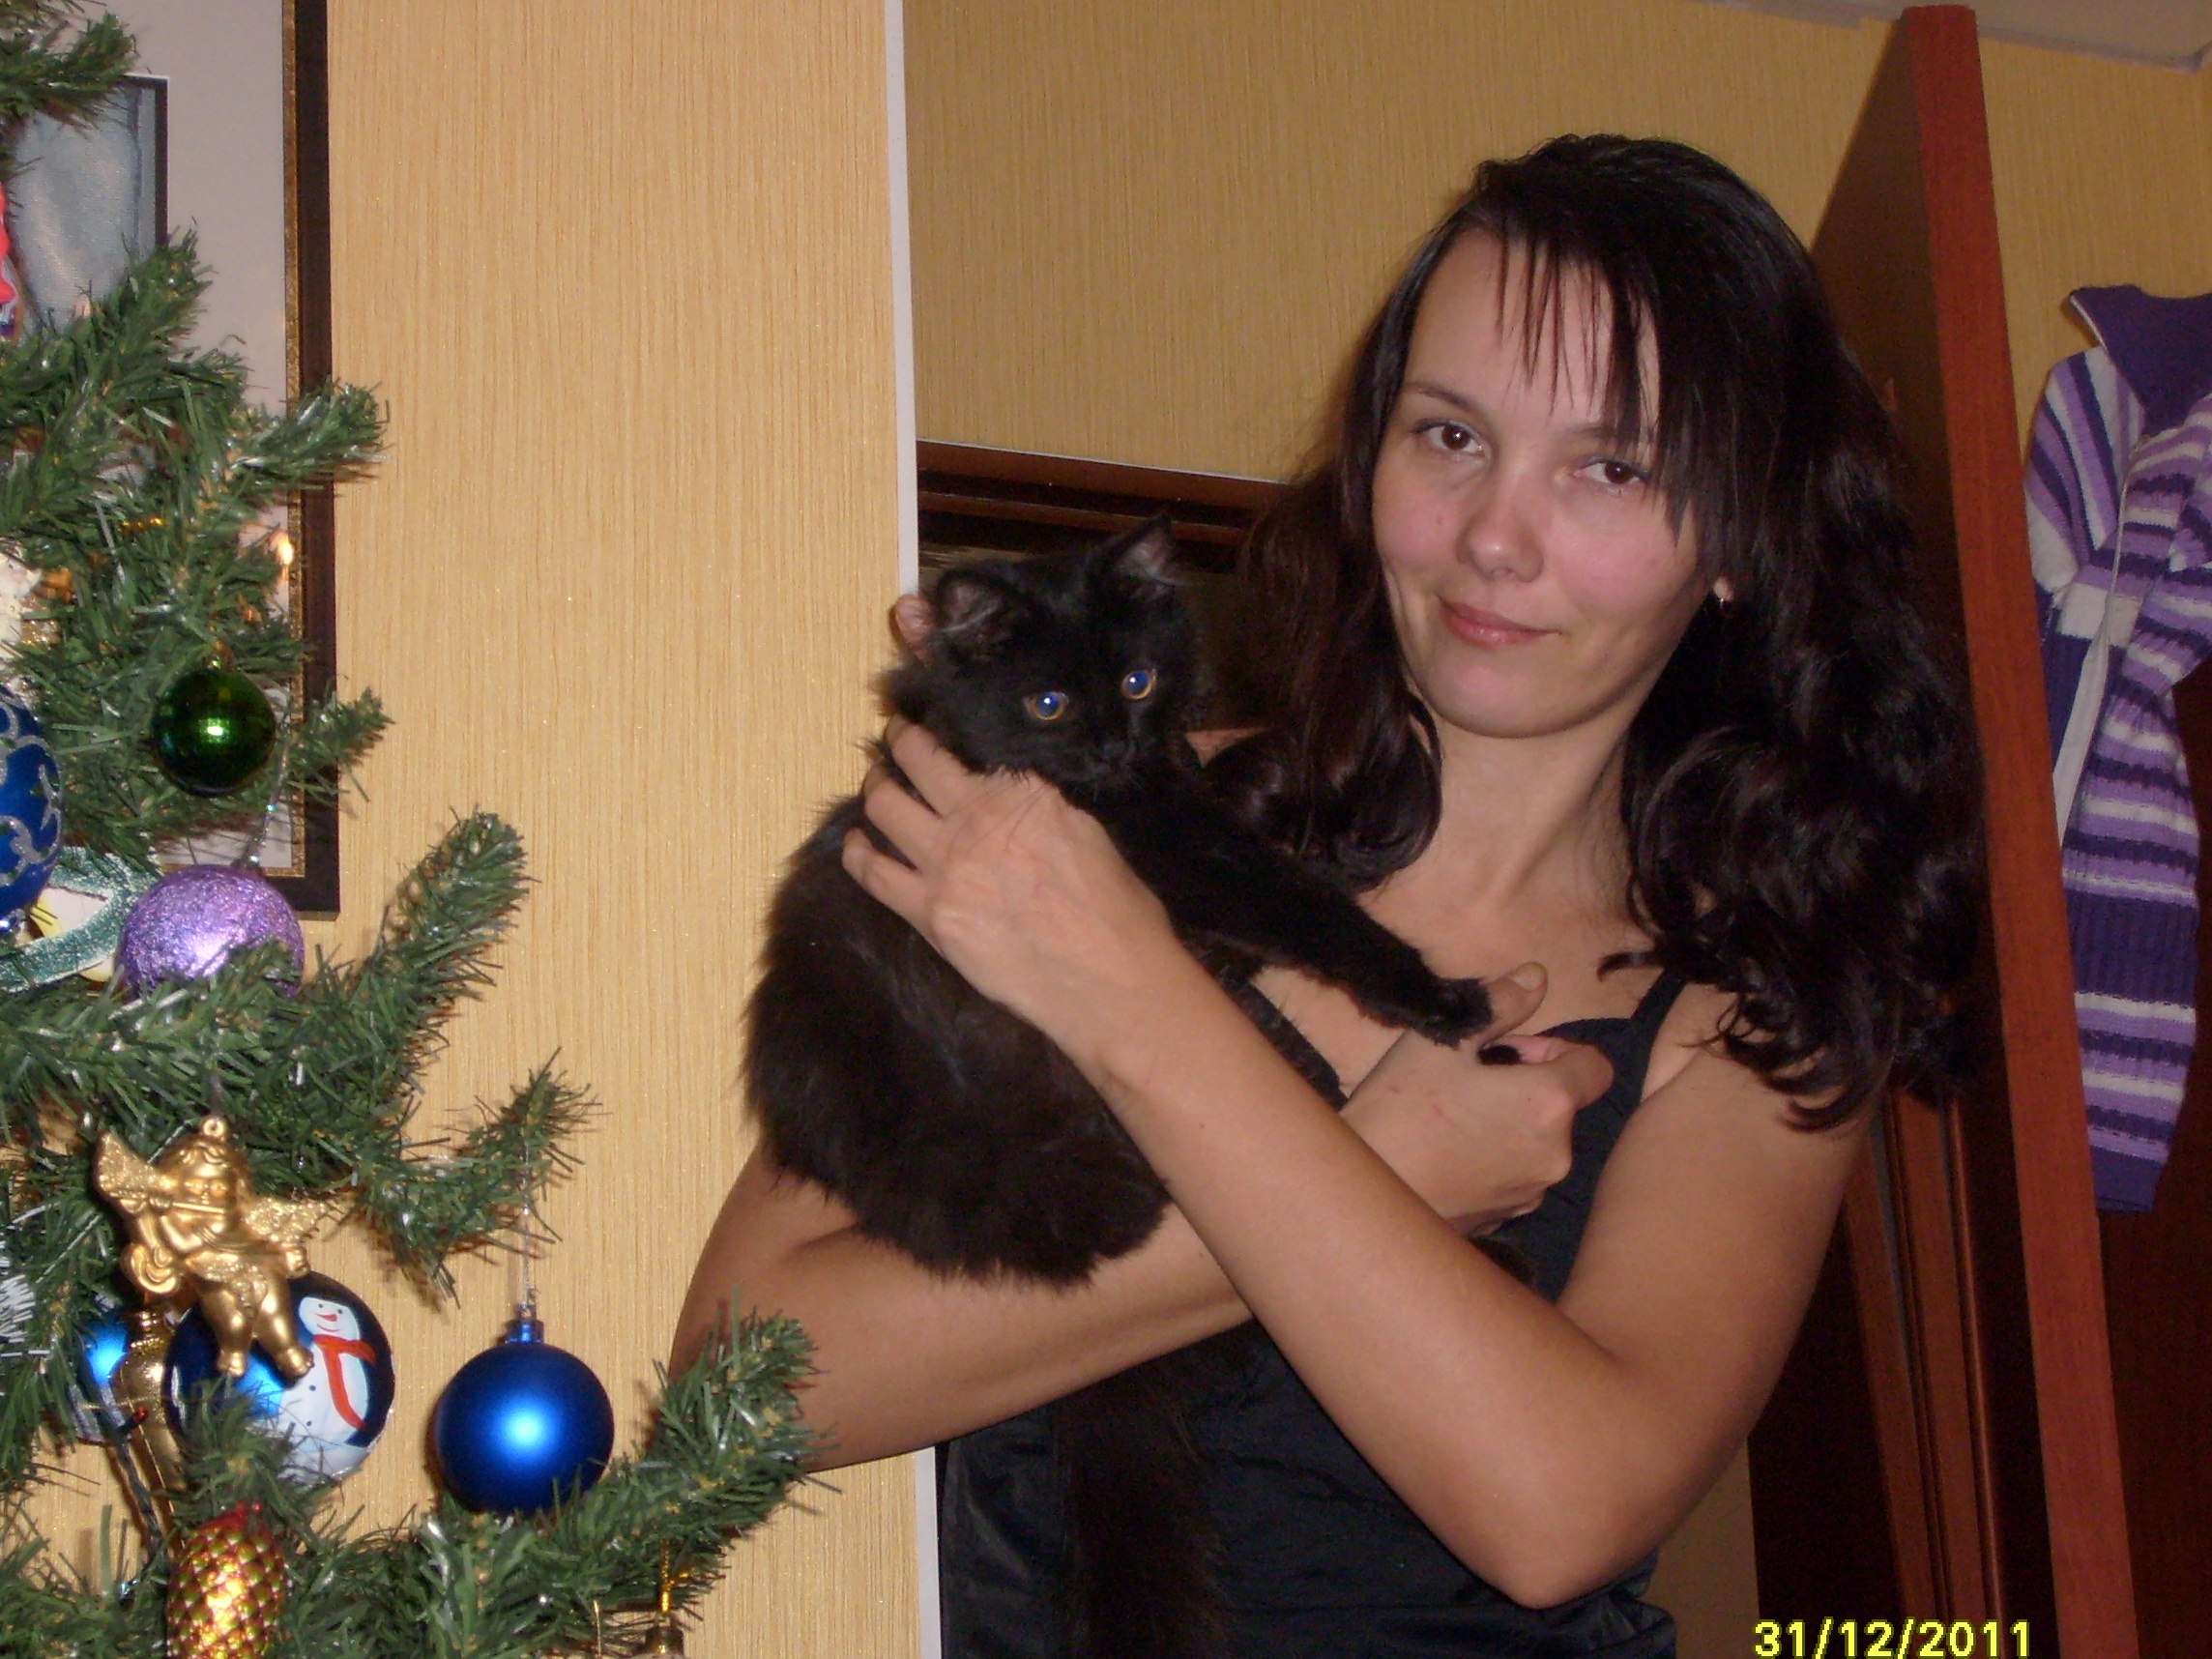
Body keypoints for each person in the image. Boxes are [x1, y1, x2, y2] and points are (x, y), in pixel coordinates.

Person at [675, 134, 1979, 1655]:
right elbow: (744, 1383)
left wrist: (1142, 1014)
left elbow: (1562, 1510)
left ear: (1740, 540)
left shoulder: (1750, 1022)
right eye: (1450, 435)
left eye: (1610, 467)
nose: (1494, 536)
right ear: (1371, 465)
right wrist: (1381, 1167)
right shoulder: (1056, 825)